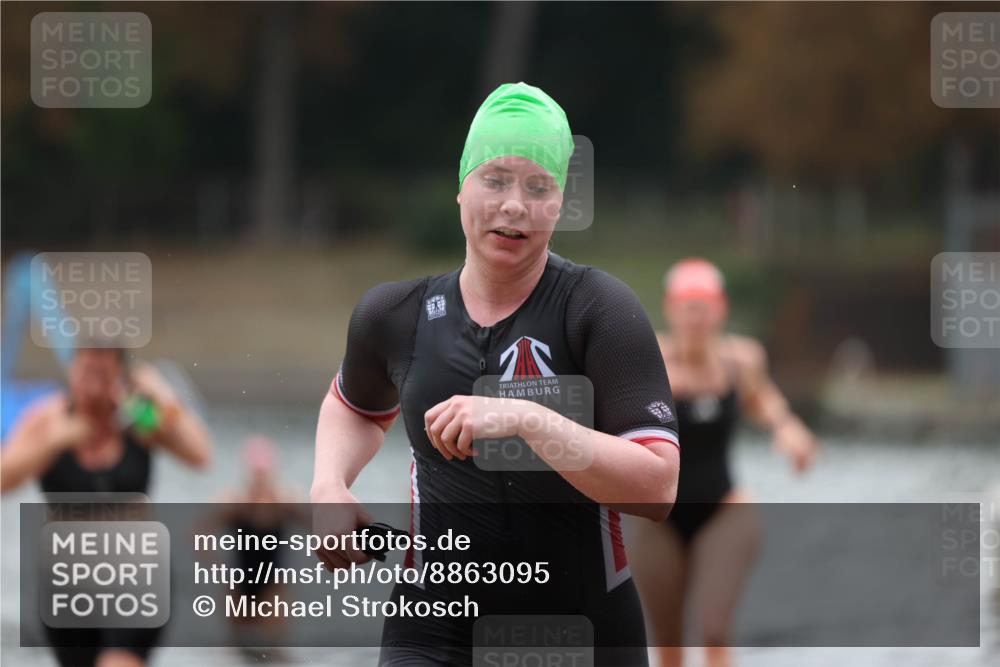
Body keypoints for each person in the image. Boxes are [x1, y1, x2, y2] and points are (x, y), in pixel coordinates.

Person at [311, 82, 681, 666]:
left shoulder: (599, 310)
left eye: (538, 187)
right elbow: (355, 406)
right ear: (461, 189)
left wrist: (526, 418)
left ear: (560, 204)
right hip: (432, 632)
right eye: (495, 180)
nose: (514, 205)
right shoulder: (394, 316)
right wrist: (329, 485)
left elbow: (658, 486)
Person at [628, 258, 819, 667]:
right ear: (670, 309)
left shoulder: (741, 360)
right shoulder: (650, 360)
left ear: (721, 310)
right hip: (657, 518)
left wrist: (788, 429)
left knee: (714, 630)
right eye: (687, 307)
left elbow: (764, 399)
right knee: (668, 645)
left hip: (724, 509)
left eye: (704, 307)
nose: (696, 318)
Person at [1, 345, 212, 667]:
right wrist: (55, 442)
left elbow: (199, 454)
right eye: (84, 372)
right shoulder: (49, 419)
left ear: (119, 377)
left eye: (101, 374)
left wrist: (158, 390)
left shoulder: (136, 417)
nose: (90, 383)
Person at [199, 435, 306, 661]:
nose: (260, 478)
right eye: (257, 473)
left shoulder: (284, 501)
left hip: (272, 584)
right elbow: (200, 533)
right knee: (235, 651)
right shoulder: (236, 503)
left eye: (263, 473)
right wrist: (218, 567)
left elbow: (318, 526)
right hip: (239, 584)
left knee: (274, 652)